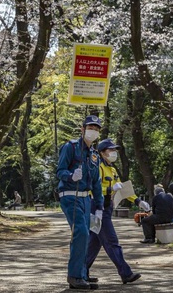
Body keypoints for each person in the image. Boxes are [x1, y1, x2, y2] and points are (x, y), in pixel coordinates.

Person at [86, 138, 147, 285]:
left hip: (106, 209)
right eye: (111, 150)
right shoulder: (97, 168)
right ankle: (125, 273)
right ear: (102, 152)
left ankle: (81, 272)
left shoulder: (112, 170)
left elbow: (123, 189)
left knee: (94, 243)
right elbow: (91, 188)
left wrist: (138, 201)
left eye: (115, 150)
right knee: (112, 241)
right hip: (97, 208)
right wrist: (109, 189)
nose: (114, 153)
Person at [57, 115, 104, 290]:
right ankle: (75, 276)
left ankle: (83, 274)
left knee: (85, 236)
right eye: (90, 127)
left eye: (97, 129)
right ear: (82, 129)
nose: (94, 131)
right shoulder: (70, 147)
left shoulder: (94, 155)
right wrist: (70, 176)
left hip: (86, 198)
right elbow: (60, 170)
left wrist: (99, 206)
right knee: (81, 233)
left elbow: (97, 182)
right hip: (70, 195)